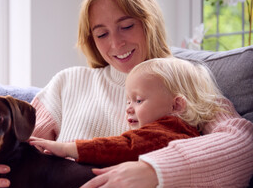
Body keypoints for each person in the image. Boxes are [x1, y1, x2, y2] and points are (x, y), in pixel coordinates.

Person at [0, 0, 253, 188]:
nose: (116, 43)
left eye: (126, 26)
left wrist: (153, 172)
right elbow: (19, 143)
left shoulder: (186, 77)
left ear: (148, 21)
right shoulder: (67, 83)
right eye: (101, 34)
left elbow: (242, 144)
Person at [28, 57, 224, 167]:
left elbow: (125, 146)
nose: (128, 108)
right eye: (128, 100)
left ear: (177, 106)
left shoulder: (169, 131)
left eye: (138, 100)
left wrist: (68, 149)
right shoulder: (180, 131)